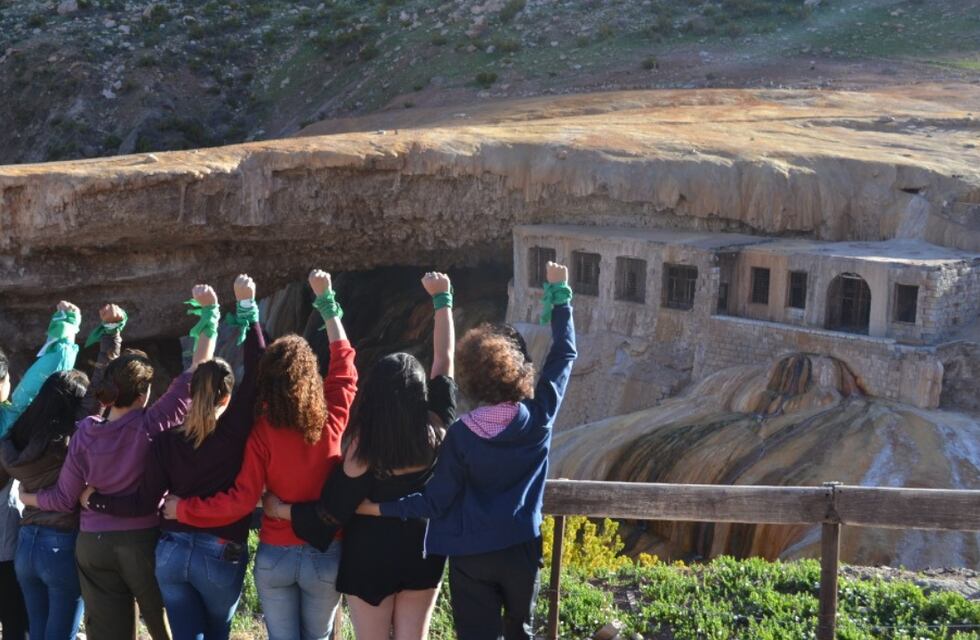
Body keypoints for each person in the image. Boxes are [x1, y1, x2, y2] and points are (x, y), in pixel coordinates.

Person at [358, 261, 576, 640]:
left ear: (473, 379)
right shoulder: (539, 417)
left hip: (470, 554)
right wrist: (561, 298)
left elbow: (435, 502)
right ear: (517, 373)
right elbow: (564, 356)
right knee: (521, 631)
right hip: (521, 547)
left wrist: (378, 508)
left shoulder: (461, 434)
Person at [163, 270, 357, 640]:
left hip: (276, 553)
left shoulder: (261, 432)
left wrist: (184, 510)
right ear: (311, 376)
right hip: (324, 551)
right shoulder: (332, 418)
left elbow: (241, 500)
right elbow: (344, 366)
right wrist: (327, 303)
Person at [263, 272, 457, 640]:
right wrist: (442, 301)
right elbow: (443, 362)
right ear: (419, 397)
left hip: (370, 556)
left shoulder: (361, 450)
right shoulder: (437, 431)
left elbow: (329, 513)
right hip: (422, 549)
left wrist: (279, 509)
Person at [21, 285, 220, 640]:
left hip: (92, 545)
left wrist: (28, 498)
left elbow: (64, 498)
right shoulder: (152, 423)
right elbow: (198, 372)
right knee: (164, 627)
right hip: (141, 541)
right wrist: (210, 315)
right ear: (144, 393)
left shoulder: (85, 432)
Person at [78, 275, 264, 640]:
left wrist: (96, 501)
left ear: (191, 393)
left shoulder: (165, 440)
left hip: (172, 551)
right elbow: (258, 371)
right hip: (220, 550)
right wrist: (248, 308)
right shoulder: (234, 432)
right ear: (227, 398)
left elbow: (143, 503)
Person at [0, 303, 124, 640]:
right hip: (61, 545)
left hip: (25, 547)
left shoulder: (14, 437)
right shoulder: (75, 435)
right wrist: (110, 335)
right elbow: (101, 388)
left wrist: (66, 330)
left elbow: (31, 391)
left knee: (37, 630)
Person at [0, 302, 82, 640]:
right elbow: (45, 382)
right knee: (19, 624)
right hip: (11, 544)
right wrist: (65, 328)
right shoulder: (6, 420)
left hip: (19, 547)